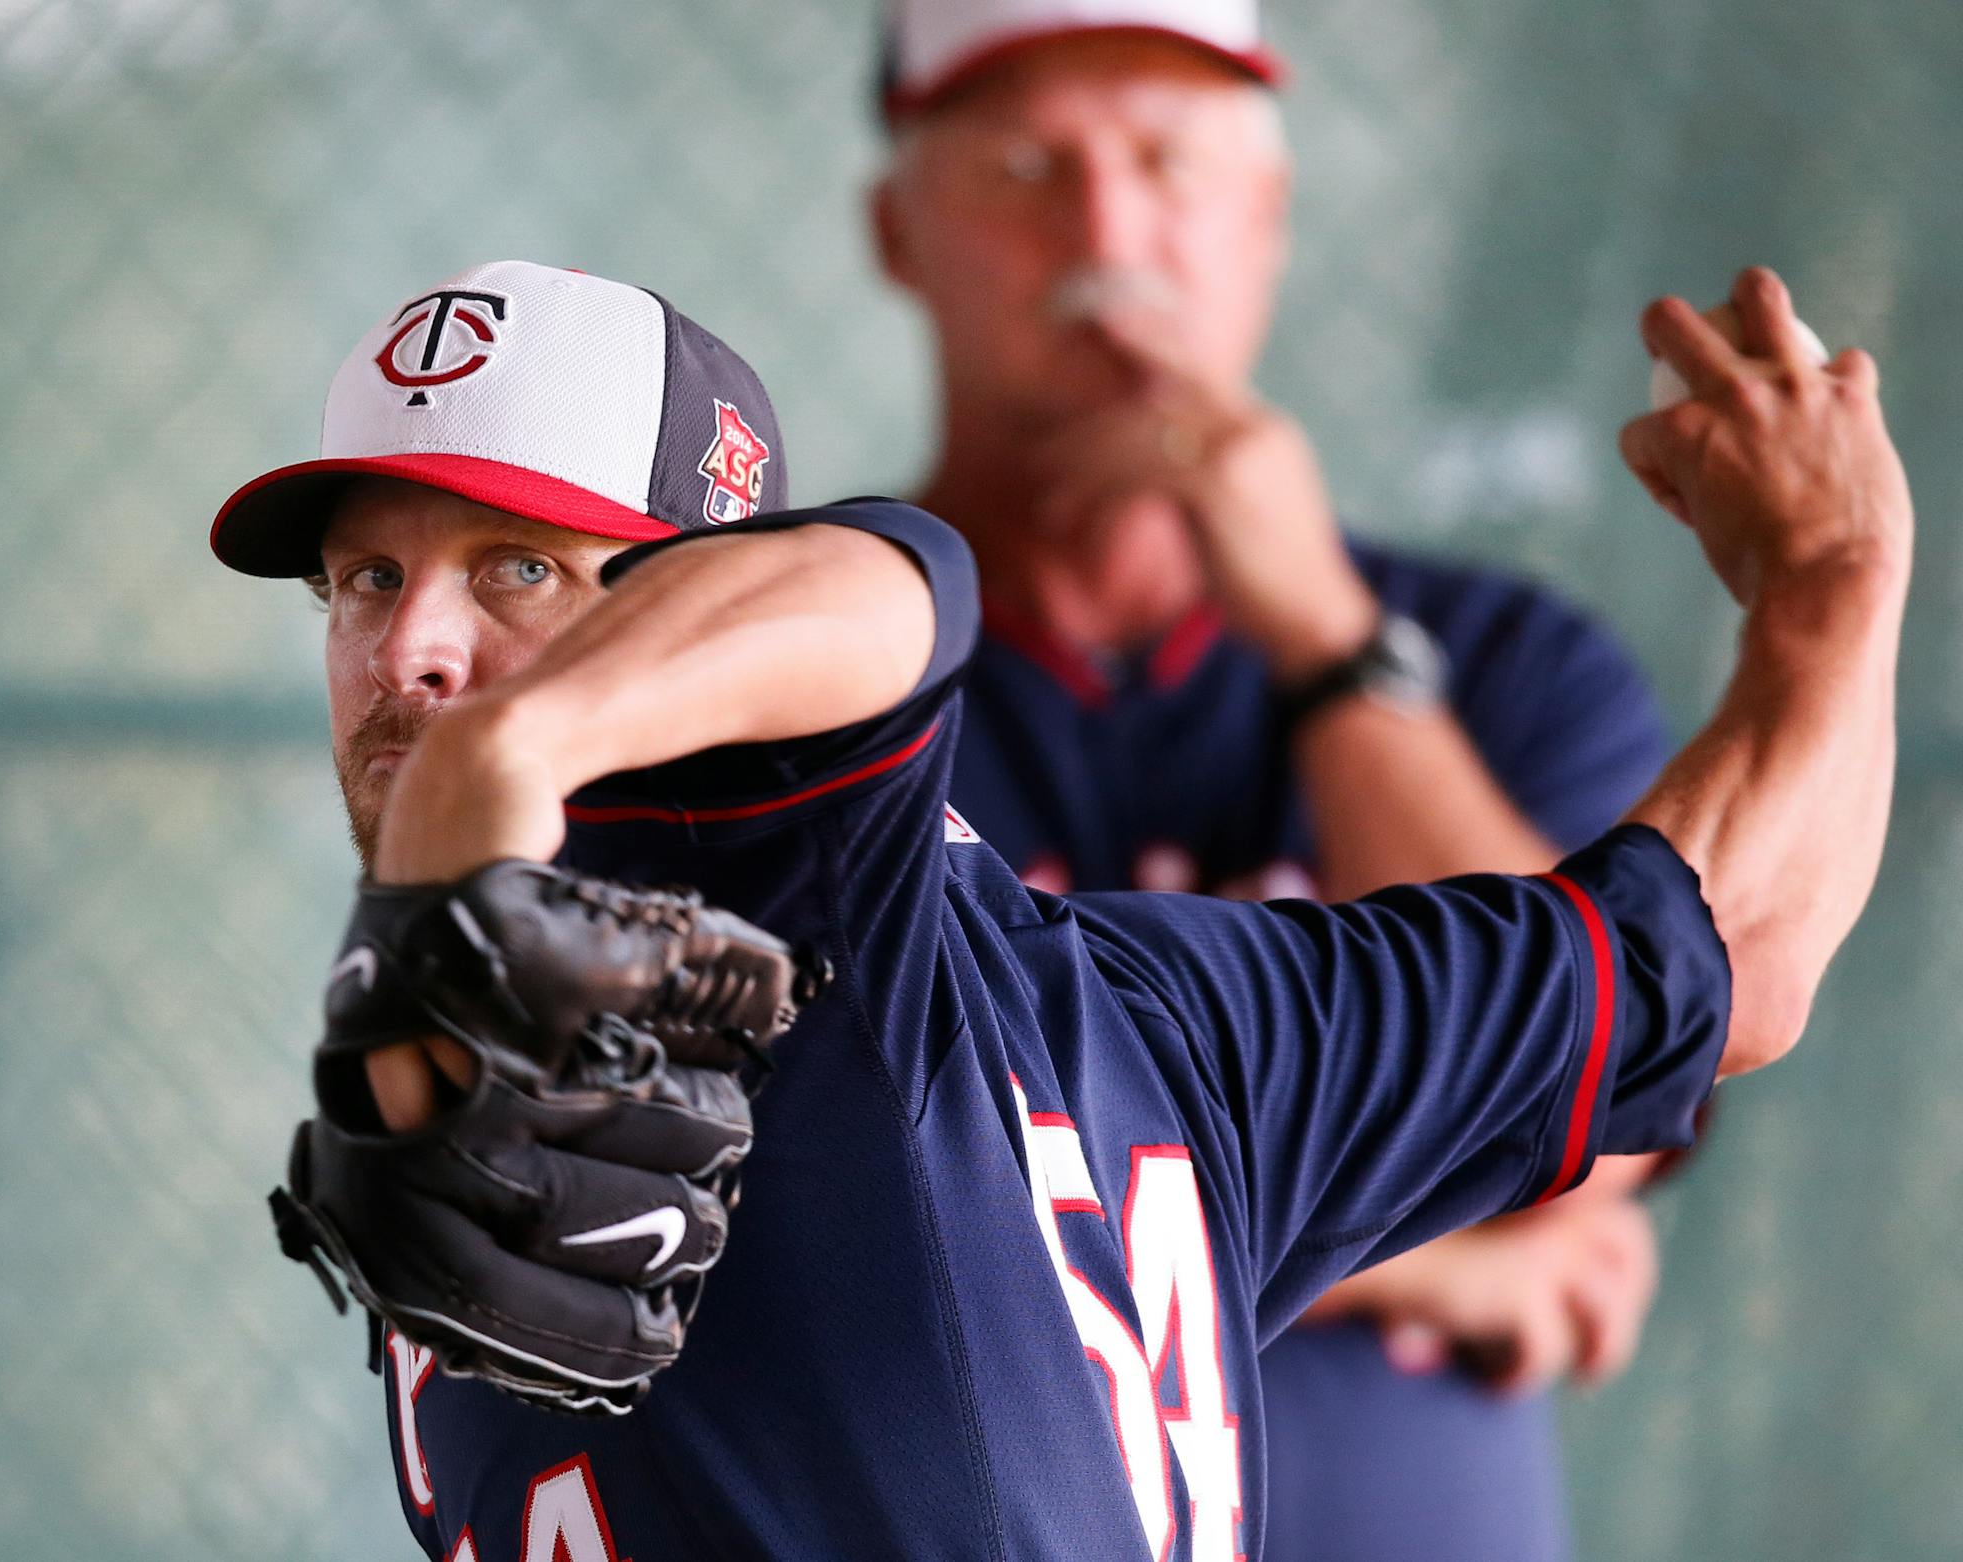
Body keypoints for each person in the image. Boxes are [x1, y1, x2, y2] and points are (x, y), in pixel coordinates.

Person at [213, 255, 1908, 1561]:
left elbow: (890, 587)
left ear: (713, 590)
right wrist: (1833, 586)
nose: (411, 646)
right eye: (367, 578)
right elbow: (1740, 947)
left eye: (518, 566)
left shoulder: (793, 937)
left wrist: (504, 760)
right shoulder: (1190, 1026)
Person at [868, 4, 1680, 1552]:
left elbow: (1577, 1116)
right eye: (1026, 166)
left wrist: (1325, 640)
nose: (1108, 233)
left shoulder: (1510, 661)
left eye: (1169, 160)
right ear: (894, 231)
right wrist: (1430, 1255)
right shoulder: (809, 686)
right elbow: (793, 1216)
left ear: (1272, 214)